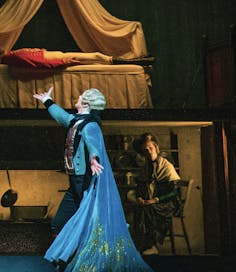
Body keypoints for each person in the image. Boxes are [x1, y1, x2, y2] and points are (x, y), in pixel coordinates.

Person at [32, 85, 149, 272]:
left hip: (83, 182)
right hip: (74, 182)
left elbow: (92, 141)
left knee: (90, 224)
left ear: (85, 103)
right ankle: (69, 261)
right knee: (59, 223)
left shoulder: (91, 125)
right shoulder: (76, 120)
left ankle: (84, 262)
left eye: (80, 97)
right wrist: (48, 101)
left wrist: (93, 157)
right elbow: (63, 118)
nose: (76, 99)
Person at [129, 133, 181, 254]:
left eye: (150, 148)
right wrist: (140, 198)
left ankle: (151, 245)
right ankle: (142, 245)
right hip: (151, 202)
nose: (149, 151)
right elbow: (141, 187)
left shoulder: (166, 166)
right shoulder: (146, 167)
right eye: (145, 150)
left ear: (156, 148)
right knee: (139, 208)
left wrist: (155, 200)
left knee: (148, 209)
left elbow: (174, 193)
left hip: (167, 203)